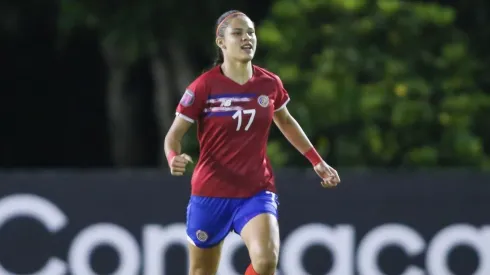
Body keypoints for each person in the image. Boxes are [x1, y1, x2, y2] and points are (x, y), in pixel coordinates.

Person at [164, 10, 341, 275]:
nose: (247, 38)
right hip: (210, 192)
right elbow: (173, 136)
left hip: (256, 190)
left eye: (251, 32)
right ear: (221, 42)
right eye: (238, 33)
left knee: (266, 262)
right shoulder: (204, 86)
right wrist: (172, 157)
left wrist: (317, 161)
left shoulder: (269, 83)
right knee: (202, 271)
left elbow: (286, 121)